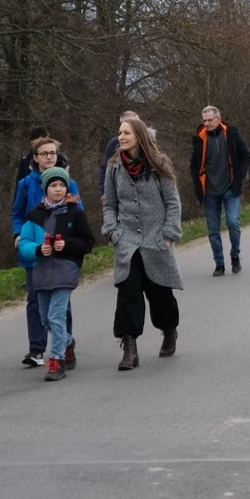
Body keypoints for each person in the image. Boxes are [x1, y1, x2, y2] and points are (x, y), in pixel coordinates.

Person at [102, 113, 183, 370]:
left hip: (155, 238)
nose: (121, 137)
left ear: (139, 136)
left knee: (160, 294)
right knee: (128, 292)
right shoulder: (114, 166)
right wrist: (112, 232)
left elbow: (172, 202)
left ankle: (169, 330)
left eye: (126, 133)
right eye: (119, 132)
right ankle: (129, 347)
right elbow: (109, 204)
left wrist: (168, 234)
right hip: (127, 239)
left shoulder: (160, 163)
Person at [16, 169, 95, 382]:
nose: (58, 189)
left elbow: (88, 242)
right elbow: (24, 244)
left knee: (56, 315)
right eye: (53, 185)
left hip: (65, 270)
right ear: (46, 189)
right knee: (45, 318)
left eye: (62, 185)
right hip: (41, 271)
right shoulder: (34, 215)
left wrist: (66, 245)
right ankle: (68, 342)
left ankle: (57, 360)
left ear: (67, 188)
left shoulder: (75, 213)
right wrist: (38, 249)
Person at [10, 138, 80, 368]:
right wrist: (19, 234)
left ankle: (64, 347)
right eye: (44, 153)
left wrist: (69, 241)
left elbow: (77, 214)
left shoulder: (68, 184)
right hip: (35, 251)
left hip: (61, 253)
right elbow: (17, 213)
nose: (49, 157)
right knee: (36, 299)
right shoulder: (26, 184)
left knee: (61, 303)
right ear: (35, 158)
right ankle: (37, 348)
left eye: (53, 153)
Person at [190, 106, 250, 278]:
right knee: (213, 230)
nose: (207, 123)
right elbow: (194, 164)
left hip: (230, 188)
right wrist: (197, 182)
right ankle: (219, 264)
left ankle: (235, 256)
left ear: (218, 119)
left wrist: (239, 177)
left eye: (210, 120)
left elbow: (246, 156)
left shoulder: (231, 134)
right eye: (204, 120)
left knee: (233, 223)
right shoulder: (199, 139)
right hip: (210, 191)